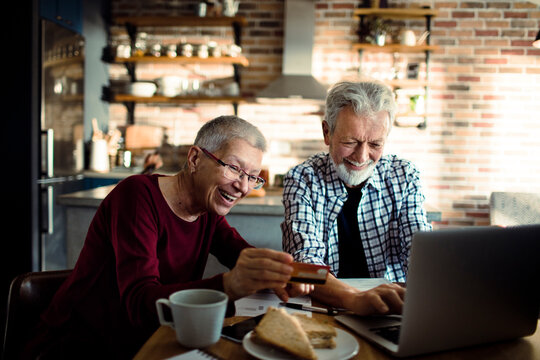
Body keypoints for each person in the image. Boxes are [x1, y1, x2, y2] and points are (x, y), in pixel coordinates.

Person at [24, 115, 311, 360]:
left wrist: (285, 274)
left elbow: (242, 254)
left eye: (253, 176)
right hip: (80, 345)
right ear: (195, 158)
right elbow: (139, 303)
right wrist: (229, 285)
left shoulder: (206, 210)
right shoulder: (137, 196)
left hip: (148, 341)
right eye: (234, 168)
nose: (243, 186)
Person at [281, 80, 432, 316]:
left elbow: (418, 248)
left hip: (393, 305)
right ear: (327, 132)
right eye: (350, 142)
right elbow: (305, 267)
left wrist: (428, 286)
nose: (362, 156)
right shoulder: (303, 179)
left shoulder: (404, 175)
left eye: (375, 144)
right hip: (329, 308)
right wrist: (355, 299)